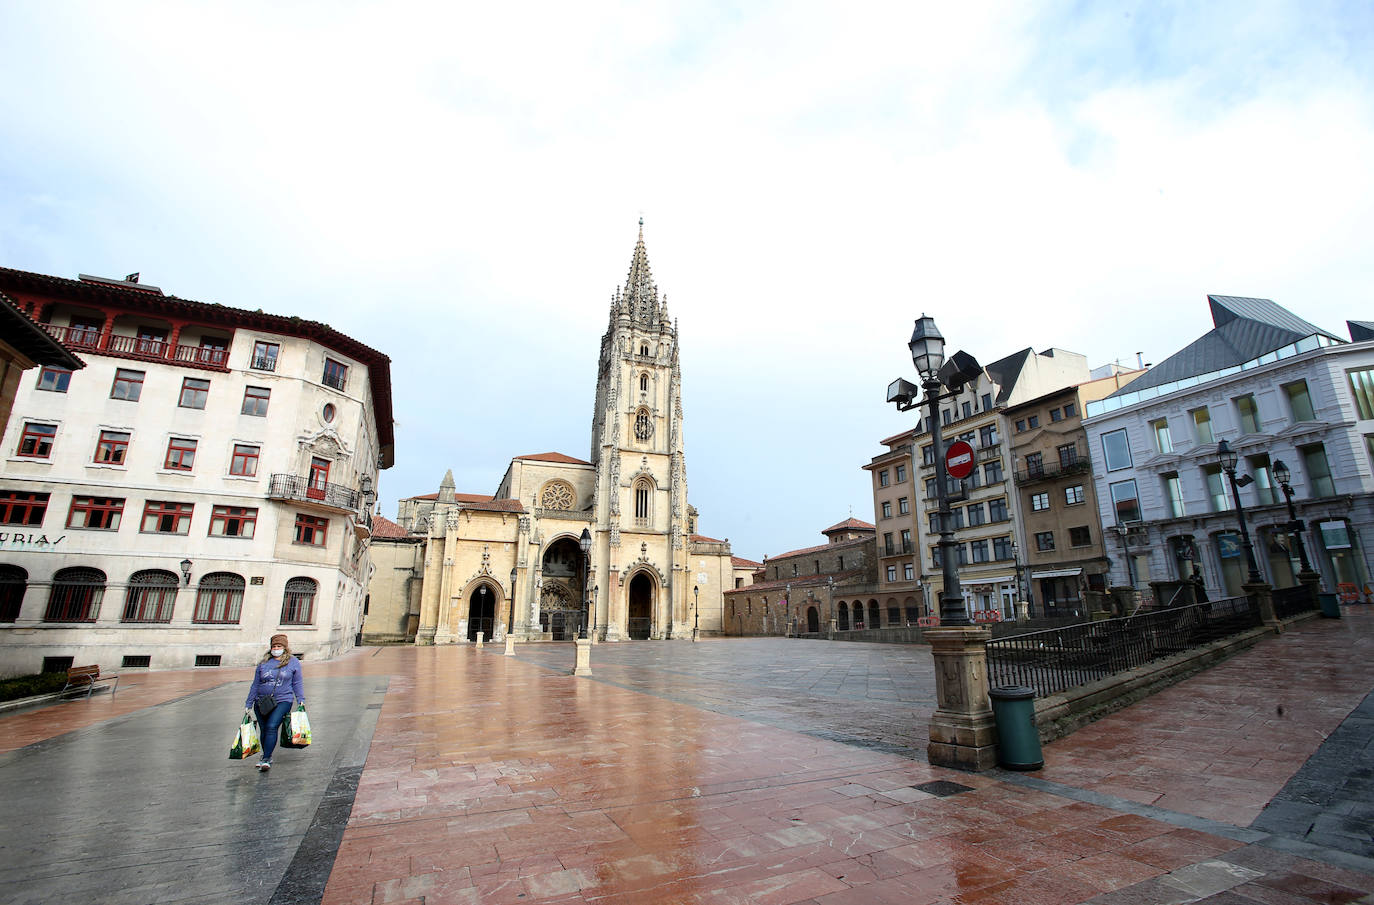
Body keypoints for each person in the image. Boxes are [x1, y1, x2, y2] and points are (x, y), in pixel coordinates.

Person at [243, 633, 305, 772]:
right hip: (262, 701)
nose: (276, 648)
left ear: (285, 647)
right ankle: (266, 756)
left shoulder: (293, 662)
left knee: (272, 726)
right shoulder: (264, 663)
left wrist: (301, 700)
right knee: (264, 730)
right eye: (274, 646)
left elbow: (297, 682)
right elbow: (255, 684)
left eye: (279, 646)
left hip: (283, 700)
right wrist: (249, 703)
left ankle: (266, 759)